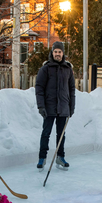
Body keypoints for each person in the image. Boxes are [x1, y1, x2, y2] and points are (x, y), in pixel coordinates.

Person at [35, 41, 75, 170]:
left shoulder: (68, 69)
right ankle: (42, 157)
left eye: (60, 52)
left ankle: (60, 157)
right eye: (55, 52)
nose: (57, 54)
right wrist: (41, 106)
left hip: (63, 108)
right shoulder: (45, 68)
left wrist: (71, 107)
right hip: (49, 108)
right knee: (46, 133)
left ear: (63, 54)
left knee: (61, 134)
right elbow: (39, 88)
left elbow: (72, 89)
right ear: (52, 53)